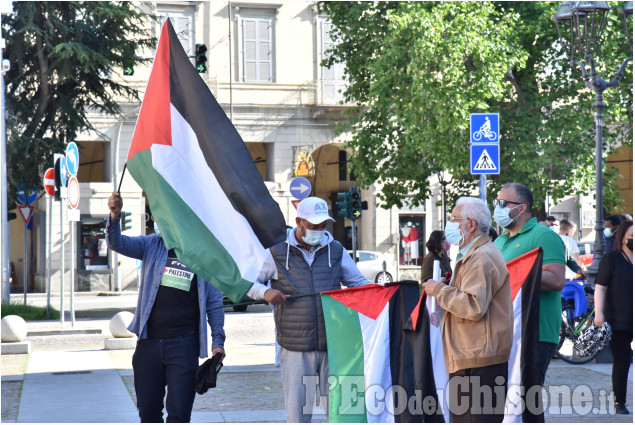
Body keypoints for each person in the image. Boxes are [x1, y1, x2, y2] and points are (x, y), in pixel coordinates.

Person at [245, 196, 372, 423]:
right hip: (295, 346)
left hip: (334, 344)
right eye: (314, 226)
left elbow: (359, 284)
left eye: (324, 226)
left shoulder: (335, 249)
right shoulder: (275, 252)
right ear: (299, 222)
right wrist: (265, 293)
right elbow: (249, 283)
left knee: (340, 412)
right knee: (298, 415)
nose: (319, 231)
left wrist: (384, 292)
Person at [106, 192, 226, 423]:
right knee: (148, 414)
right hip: (148, 344)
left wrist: (217, 342)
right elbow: (116, 242)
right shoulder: (151, 245)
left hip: (184, 346)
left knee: (179, 415)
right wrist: (114, 215)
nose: (160, 221)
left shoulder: (202, 255)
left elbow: (214, 303)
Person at [422, 197, 512, 423]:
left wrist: (439, 290)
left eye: (454, 219)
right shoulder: (475, 254)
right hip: (471, 355)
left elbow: (473, 306)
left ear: (470, 225)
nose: (450, 225)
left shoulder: (481, 257)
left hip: (478, 359)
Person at [492, 183, 565, 420]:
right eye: (496, 203)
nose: (498, 208)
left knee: (527, 402)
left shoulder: (544, 236)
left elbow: (556, 279)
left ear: (521, 208)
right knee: (506, 403)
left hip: (536, 332)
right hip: (505, 331)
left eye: (503, 203)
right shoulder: (499, 241)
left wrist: (511, 275)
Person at [594, 220, 633, 415]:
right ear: (623, 238)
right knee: (622, 361)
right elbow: (600, 287)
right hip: (620, 319)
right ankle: (620, 401)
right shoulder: (612, 259)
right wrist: (599, 313)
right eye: (631, 237)